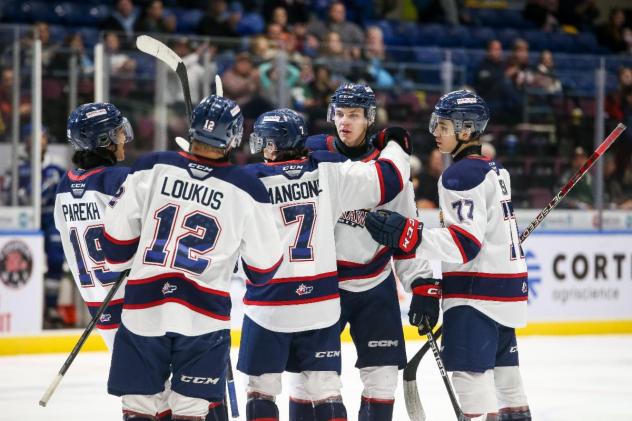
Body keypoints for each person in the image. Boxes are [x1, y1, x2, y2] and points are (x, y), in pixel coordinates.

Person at [101, 95, 285, 421]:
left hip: (145, 309)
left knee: (139, 411)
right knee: (190, 413)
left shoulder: (152, 165)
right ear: (233, 137)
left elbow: (113, 247)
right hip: (204, 318)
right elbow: (265, 269)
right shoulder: (246, 187)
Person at [364, 90, 532, 420]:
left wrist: (409, 235)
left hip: (475, 294)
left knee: (471, 384)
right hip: (508, 290)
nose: (435, 132)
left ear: (466, 131)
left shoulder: (458, 175)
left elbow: (464, 243)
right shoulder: (495, 169)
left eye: (443, 126)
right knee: (509, 383)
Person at [238, 108, 412, 421]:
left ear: (274, 145)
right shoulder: (328, 169)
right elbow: (390, 179)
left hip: (270, 303)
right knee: (326, 387)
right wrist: (396, 146)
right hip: (320, 302)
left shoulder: (248, 180)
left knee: (261, 388)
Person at [297, 83, 435, 421]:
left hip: (375, 283)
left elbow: (404, 230)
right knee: (310, 381)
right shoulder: (318, 159)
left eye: (354, 115)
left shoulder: (390, 169)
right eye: (340, 114)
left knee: (383, 379)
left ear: (369, 118)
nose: (345, 122)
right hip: (325, 285)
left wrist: (421, 283)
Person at [54, 102, 133, 349]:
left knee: (136, 384)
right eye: (118, 131)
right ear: (104, 138)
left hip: (99, 305)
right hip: (134, 304)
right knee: (156, 384)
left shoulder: (64, 187)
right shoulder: (118, 179)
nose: (123, 137)